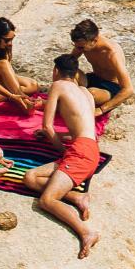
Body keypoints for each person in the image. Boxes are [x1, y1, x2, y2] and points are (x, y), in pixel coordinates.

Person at [26, 54, 103, 258]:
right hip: (90, 147)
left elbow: (47, 126)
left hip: (80, 153)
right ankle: (77, 196)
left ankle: (87, 232)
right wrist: (64, 139)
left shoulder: (58, 85)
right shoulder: (85, 91)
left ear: (56, 71)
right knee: (30, 177)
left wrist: (62, 150)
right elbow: (84, 129)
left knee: (47, 200)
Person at [70, 21, 135, 117]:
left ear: (94, 40)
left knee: (90, 94)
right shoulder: (82, 44)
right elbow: (69, 62)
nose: (77, 49)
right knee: (63, 69)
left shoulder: (112, 53)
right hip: (94, 78)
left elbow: (128, 89)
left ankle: (68, 101)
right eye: (76, 46)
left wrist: (101, 110)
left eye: (81, 47)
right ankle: (68, 99)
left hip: (111, 86)